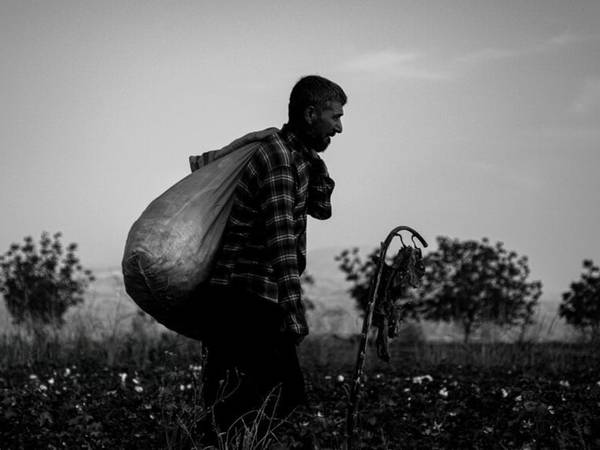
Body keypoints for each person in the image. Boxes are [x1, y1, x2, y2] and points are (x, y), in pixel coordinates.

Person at [197, 75, 346, 437]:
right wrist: (294, 314)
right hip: (246, 295)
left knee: (243, 392)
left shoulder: (298, 158)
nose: (339, 128)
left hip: (251, 296)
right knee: (284, 392)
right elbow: (282, 244)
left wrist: (317, 165)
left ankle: (213, 438)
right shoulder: (278, 159)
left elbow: (321, 208)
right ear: (311, 114)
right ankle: (204, 437)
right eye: (335, 117)